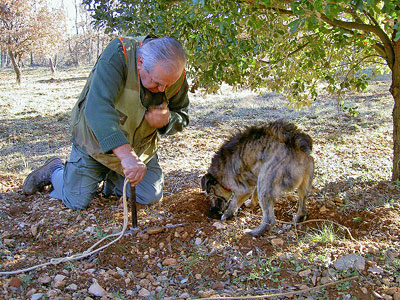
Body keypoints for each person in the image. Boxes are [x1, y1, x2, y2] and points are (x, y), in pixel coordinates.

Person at [22, 35, 190, 209]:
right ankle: (55, 170)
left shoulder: (172, 74)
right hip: (96, 145)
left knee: (149, 195)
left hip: (140, 149)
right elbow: (97, 108)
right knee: (76, 201)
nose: (162, 90)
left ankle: (114, 178)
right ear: (140, 62)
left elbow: (182, 116)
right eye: (157, 83)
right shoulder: (120, 54)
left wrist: (167, 120)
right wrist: (126, 156)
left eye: (168, 85)